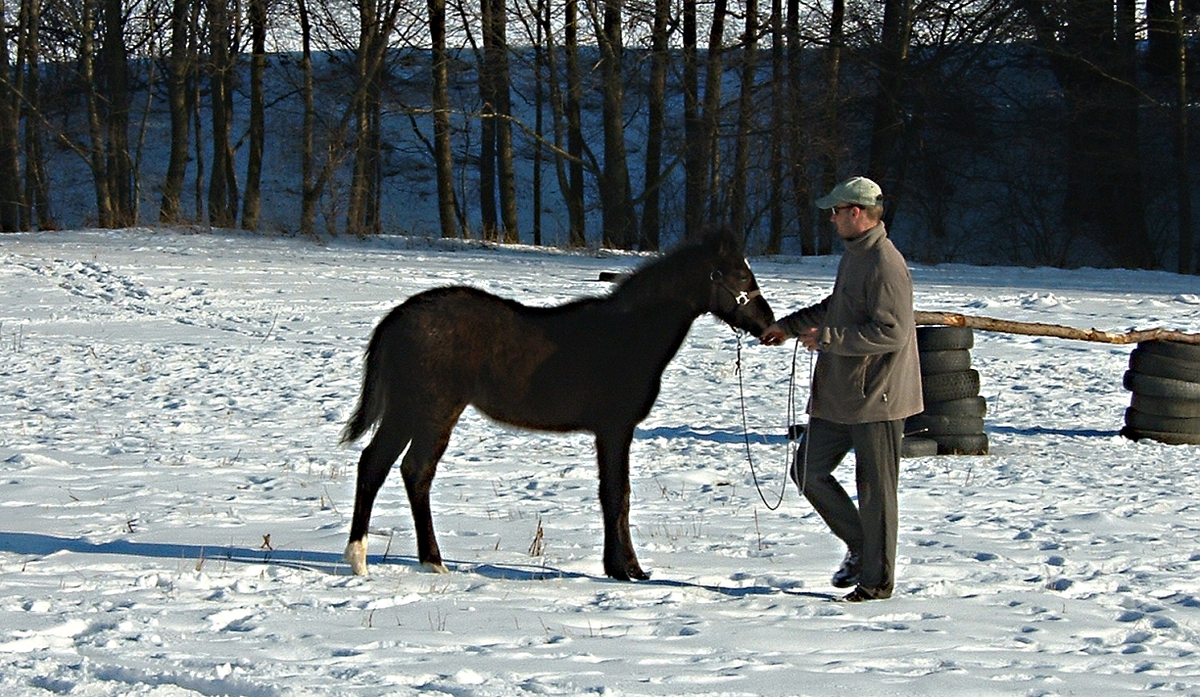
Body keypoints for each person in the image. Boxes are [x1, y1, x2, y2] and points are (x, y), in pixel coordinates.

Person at [760, 176, 922, 602]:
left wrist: (828, 339)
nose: (831, 219)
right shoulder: (856, 255)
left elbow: (892, 332)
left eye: (835, 211)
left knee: (876, 495)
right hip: (841, 395)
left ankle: (876, 583)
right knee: (807, 470)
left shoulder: (885, 263)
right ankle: (863, 548)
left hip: (878, 398)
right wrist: (788, 327)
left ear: (856, 212)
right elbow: (838, 308)